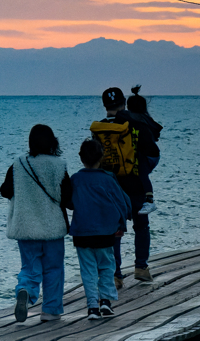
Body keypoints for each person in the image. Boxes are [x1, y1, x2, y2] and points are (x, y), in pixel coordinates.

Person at [0, 124, 71, 323]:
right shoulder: (59, 165)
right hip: (53, 229)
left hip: (26, 228)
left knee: (29, 267)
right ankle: (50, 310)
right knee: (54, 269)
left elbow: (5, 190)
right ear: (52, 142)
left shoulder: (18, 164)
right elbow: (67, 196)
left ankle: (25, 290)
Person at [98, 87, 160, 287]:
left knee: (115, 231)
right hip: (136, 184)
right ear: (123, 103)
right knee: (141, 227)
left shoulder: (100, 129)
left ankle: (115, 275)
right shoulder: (136, 123)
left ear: (104, 105)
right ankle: (141, 268)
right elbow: (152, 152)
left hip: (113, 186)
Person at [68, 139, 131, 320]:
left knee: (88, 271)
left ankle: (92, 308)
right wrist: (122, 225)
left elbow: (71, 203)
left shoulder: (76, 179)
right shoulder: (108, 178)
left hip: (82, 233)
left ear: (81, 158)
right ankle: (106, 302)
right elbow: (122, 202)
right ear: (102, 156)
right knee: (106, 267)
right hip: (105, 232)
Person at [125, 85, 163, 214]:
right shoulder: (145, 119)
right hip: (153, 154)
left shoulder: (135, 119)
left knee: (142, 173)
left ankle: (150, 201)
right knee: (141, 173)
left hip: (149, 156)